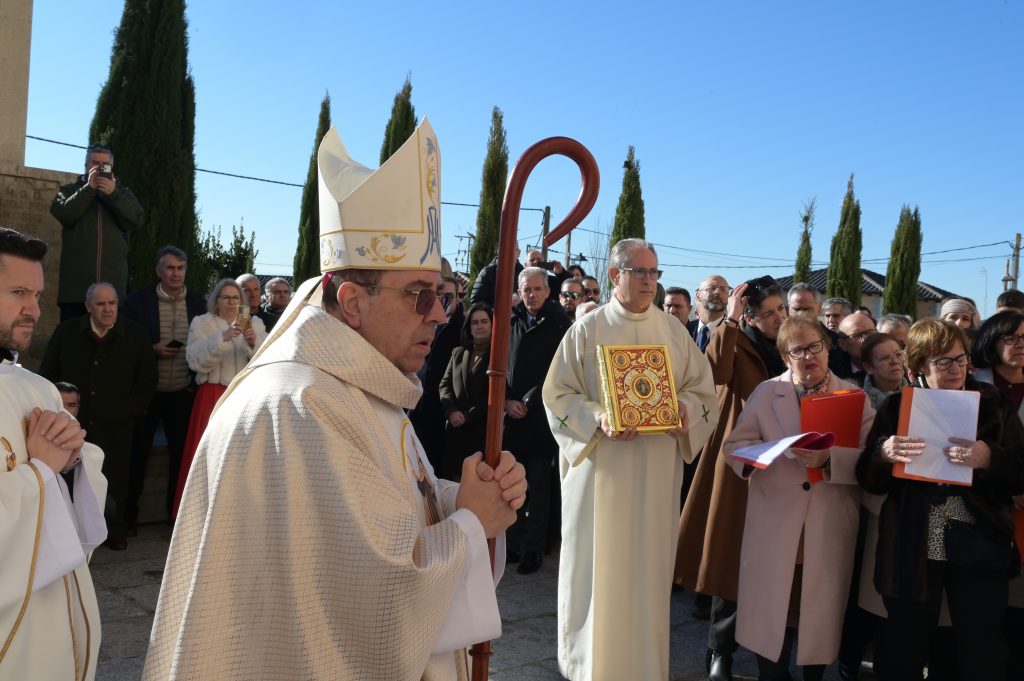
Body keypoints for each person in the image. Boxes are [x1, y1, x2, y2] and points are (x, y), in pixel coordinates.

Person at [143, 119, 526, 681]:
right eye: (421, 296)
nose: (440, 316)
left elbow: (380, 511)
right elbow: (369, 603)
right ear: (351, 300)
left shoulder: (358, 381)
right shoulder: (302, 404)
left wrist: (458, 496)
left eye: (443, 297)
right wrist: (469, 523)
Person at [543, 238, 719, 680]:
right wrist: (598, 417)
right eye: (639, 272)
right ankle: (591, 666)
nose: (648, 282)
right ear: (614, 275)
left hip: (657, 470)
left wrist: (682, 408)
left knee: (647, 572)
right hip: (602, 471)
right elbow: (557, 395)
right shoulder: (586, 330)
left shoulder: (674, 332)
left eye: (654, 273)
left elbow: (703, 393)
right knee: (599, 568)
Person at [856, 319, 1024, 681]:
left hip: (977, 534)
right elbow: (868, 481)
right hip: (913, 538)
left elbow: (1021, 469)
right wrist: (882, 454)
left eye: (961, 359)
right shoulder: (898, 407)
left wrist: (989, 458)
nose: (955, 369)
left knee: (980, 645)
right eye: (942, 361)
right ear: (918, 366)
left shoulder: (993, 404)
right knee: (904, 643)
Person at [725, 316, 875, 681]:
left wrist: (829, 460)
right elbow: (734, 448)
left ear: (827, 348)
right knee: (771, 611)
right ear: (785, 357)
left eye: (815, 347)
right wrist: (762, 455)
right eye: (797, 351)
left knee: (818, 615)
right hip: (776, 520)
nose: (808, 356)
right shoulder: (766, 393)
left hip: (827, 521)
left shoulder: (853, 396)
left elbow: (871, 462)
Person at [0, 226, 105, 680]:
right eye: (18, 292)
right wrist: (41, 468)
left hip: (56, 613)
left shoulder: (38, 388)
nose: (33, 310)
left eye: (38, 295)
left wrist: (74, 460)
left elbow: (79, 516)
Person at [675, 276, 789, 681]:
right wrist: (732, 322)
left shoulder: (795, 343)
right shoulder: (735, 339)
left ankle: (771, 658)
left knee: (776, 564)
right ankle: (719, 650)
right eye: (768, 313)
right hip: (743, 462)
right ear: (752, 317)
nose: (778, 319)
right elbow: (716, 373)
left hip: (789, 464)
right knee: (732, 558)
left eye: (782, 310)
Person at [39, 281, 156, 550]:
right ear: (88, 306)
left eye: (112, 303)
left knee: (115, 476)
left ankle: (114, 528)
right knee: (70, 476)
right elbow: (48, 373)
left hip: (117, 423)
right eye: (101, 304)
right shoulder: (67, 332)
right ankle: (69, 530)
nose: (107, 309)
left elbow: (147, 379)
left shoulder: (136, 335)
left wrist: (130, 410)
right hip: (71, 423)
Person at [121, 245, 207, 526]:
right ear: (159, 271)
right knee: (136, 456)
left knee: (181, 459)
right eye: (170, 268)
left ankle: (176, 519)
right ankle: (127, 519)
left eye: (181, 268)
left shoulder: (198, 303)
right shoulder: (137, 302)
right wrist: (152, 348)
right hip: (148, 393)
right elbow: (127, 342)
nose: (176, 273)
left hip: (183, 392)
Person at [171, 278, 266, 517]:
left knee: (240, 458)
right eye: (226, 297)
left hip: (243, 397)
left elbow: (265, 362)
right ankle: (197, 514)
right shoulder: (202, 323)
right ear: (216, 300)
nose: (232, 302)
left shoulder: (254, 322)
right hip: (211, 395)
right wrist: (221, 338)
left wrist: (254, 344)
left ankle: (234, 514)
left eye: (236, 298)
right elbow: (194, 361)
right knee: (206, 456)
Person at [505, 267, 572, 574]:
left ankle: (533, 549)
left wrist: (530, 401)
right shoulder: (510, 320)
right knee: (510, 485)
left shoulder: (559, 324)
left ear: (547, 292)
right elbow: (499, 366)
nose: (531, 294)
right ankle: (512, 545)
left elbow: (560, 371)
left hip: (541, 419)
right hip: (511, 417)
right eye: (526, 289)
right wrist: (508, 399)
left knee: (538, 488)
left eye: (536, 289)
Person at [970, 311, 1024, 681]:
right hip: (986, 515)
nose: (1020, 344)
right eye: (1011, 337)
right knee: (988, 619)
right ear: (991, 342)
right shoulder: (971, 388)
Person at [50, 144, 145, 321]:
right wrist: (88, 189)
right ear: (86, 166)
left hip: (112, 294)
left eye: (104, 164)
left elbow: (136, 220)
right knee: (74, 344)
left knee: (111, 346)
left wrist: (113, 194)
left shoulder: (123, 194)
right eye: (94, 163)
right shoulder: (68, 191)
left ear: (111, 168)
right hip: (76, 293)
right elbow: (64, 213)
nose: (99, 167)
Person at [410, 275, 464, 470]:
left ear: (459, 298)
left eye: (449, 296)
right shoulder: (422, 322)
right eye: (439, 295)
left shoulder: (463, 330)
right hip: (417, 403)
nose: (444, 301)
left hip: (444, 410)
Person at [439, 303, 493, 480]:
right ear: (469, 327)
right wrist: (451, 411)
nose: (479, 326)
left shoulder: (499, 356)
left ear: (492, 325)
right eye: (475, 322)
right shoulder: (458, 353)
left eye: (484, 321)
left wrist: (467, 415)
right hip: (455, 431)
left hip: (481, 434)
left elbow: (495, 394)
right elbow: (444, 385)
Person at [860, 333, 911, 409]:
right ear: (868, 367)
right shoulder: (859, 404)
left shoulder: (919, 395)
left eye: (898, 354)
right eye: (885, 357)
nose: (895, 361)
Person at [837, 311, 877, 385]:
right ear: (843, 345)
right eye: (857, 335)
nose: (866, 339)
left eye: (870, 333)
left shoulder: (891, 365)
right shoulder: (834, 374)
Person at [693, 274, 730, 351]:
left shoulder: (733, 333)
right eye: (711, 288)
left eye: (723, 289)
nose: (717, 292)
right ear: (698, 296)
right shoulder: (684, 329)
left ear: (728, 297)